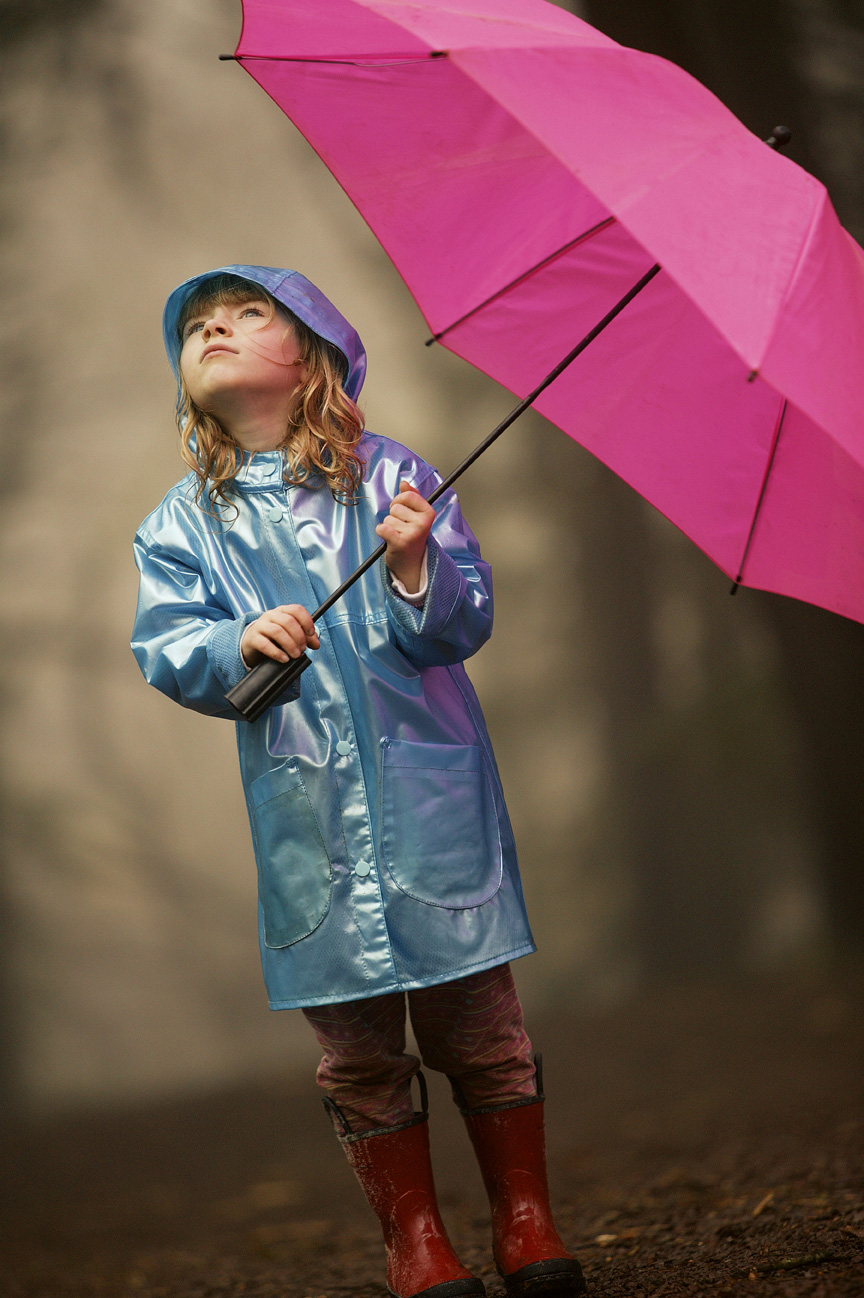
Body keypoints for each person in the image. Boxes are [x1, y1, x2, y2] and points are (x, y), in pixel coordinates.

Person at [131, 265, 586, 1298]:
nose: (216, 329)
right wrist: (235, 637)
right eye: (197, 324)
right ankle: (415, 1239)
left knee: (483, 1024)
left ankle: (528, 1216)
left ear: (315, 358)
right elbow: (165, 646)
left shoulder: (393, 479)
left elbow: (460, 623)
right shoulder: (181, 523)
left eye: (248, 315)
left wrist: (418, 563)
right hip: (310, 815)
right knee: (357, 1045)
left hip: (432, 796)